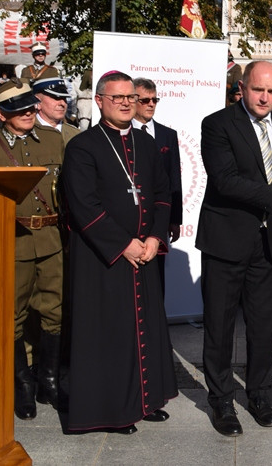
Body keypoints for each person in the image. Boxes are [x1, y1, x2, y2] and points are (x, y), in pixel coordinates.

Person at [195, 61, 272, 436]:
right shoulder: (217, 124)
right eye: (257, 89)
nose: (264, 97)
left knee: (264, 326)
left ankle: (260, 395)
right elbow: (226, 181)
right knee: (220, 326)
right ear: (243, 88)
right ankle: (221, 401)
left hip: (266, 245)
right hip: (225, 240)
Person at [60, 71, 176, 432]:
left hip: (144, 252)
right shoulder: (83, 146)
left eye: (132, 97)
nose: (127, 102)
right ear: (99, 101)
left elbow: (162, 194)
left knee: (144, 329)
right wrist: (123, 244)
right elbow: (83, 205)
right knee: (111, 334)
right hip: (104, 258)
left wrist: (155, 240)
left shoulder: (146, 144)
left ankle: (146, 399)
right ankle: (111, 410)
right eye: (118, 97)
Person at [0, 83, 65, 419]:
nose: (27, 112)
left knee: (55, 310)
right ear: (0, 114)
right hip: (14, 239)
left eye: (30, 106)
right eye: (18, 108)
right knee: (13, 315)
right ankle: (21, 382)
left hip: (52, 239)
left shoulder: (54, 140)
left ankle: (48, 380)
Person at [132, 77, 184, 292]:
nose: (151, 104)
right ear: (133, 101)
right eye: (145, 100)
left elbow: (174, 178)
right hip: (130, 216)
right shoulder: (121, 132)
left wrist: (175, 219)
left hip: (158, 218)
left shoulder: (167, 135)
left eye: (155, 100)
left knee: (156, 278)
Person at [33, 77, 80, 144]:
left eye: (64, 98)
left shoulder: (75, 134)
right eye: (56, 98)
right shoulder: (26, 132)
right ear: (38, 102)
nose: (62, 103)